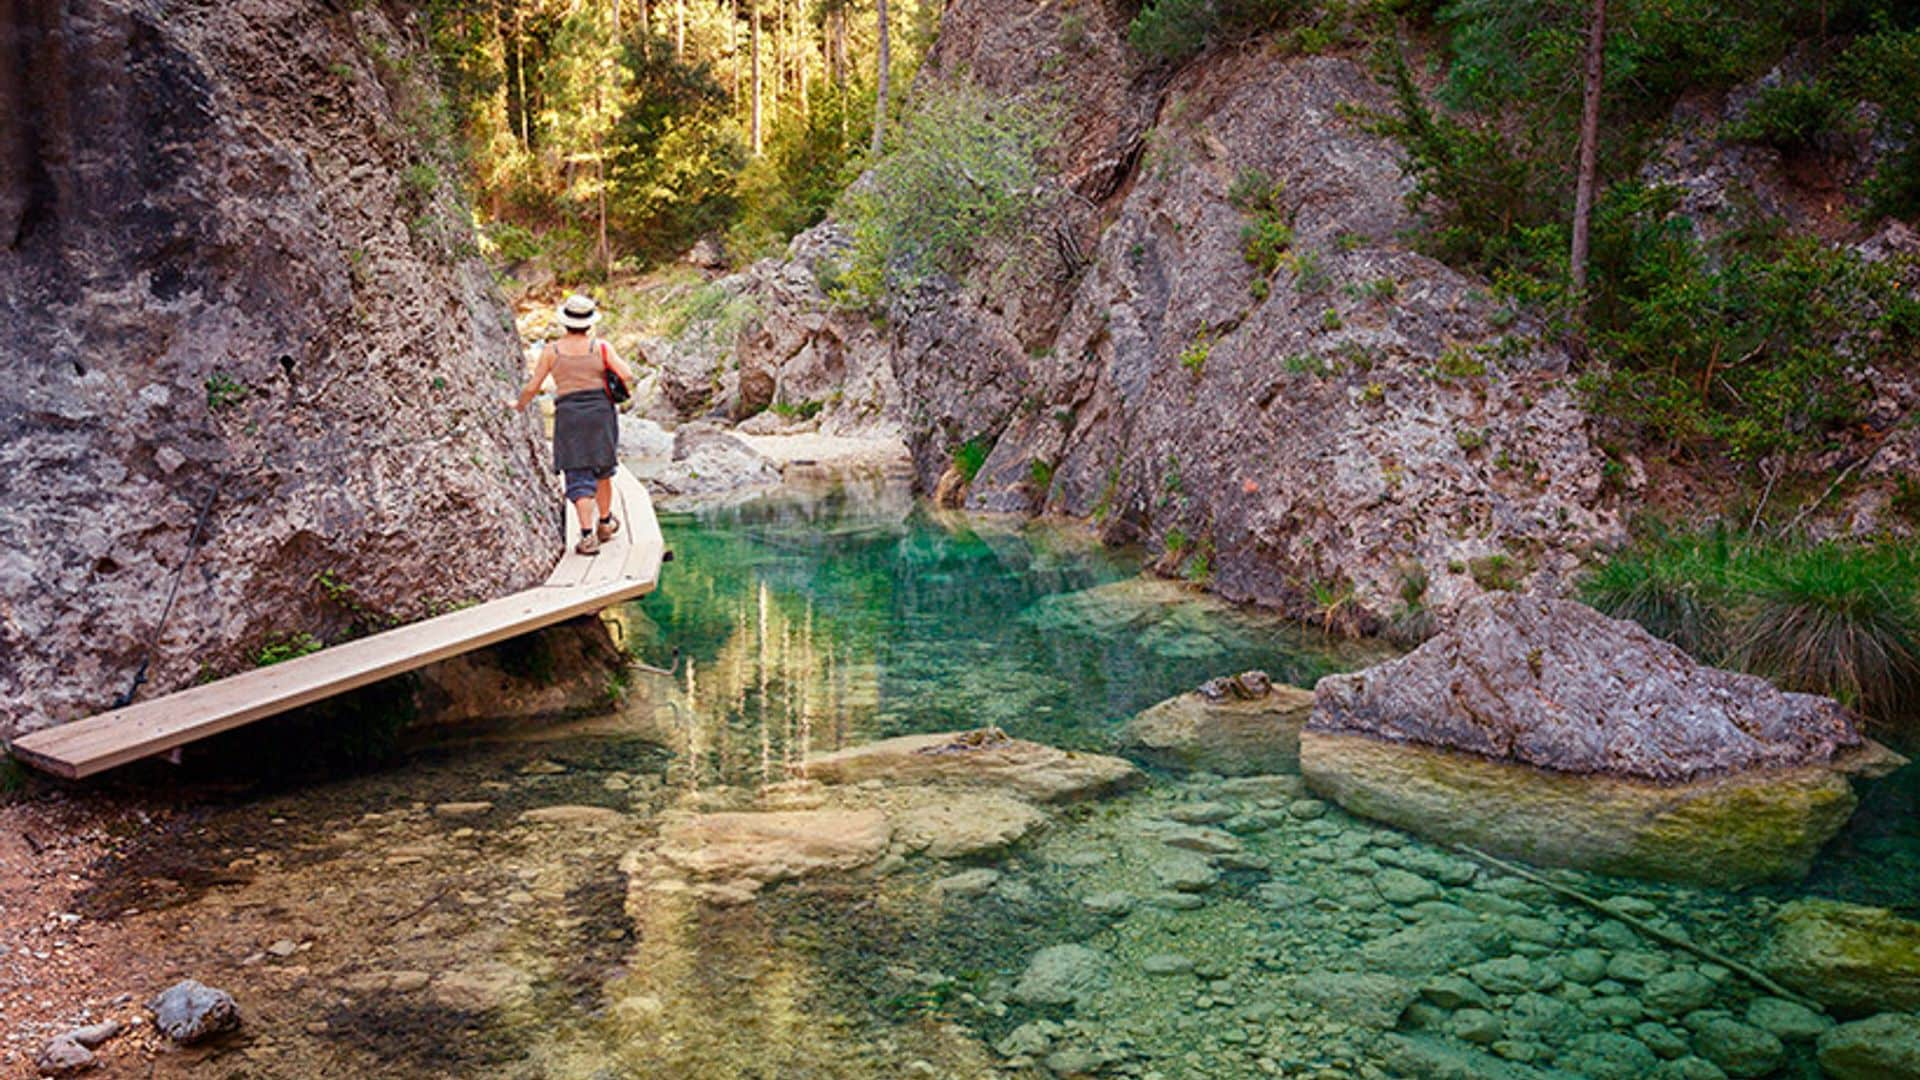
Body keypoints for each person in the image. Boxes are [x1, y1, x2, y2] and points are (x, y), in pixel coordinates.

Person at [508, 293, 639, 554]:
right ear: (589, 323)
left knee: (578, 473)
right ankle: (605, 523)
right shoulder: (601, 347)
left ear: (564, 322)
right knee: (603, 468)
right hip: (601, 413)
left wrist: (519, 405)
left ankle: (587, 536)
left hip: (569, 415)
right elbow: (627, 373)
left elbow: (534, 386)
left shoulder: (551, 351)